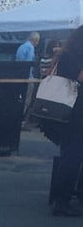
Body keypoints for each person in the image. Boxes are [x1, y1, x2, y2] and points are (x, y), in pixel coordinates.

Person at [41, 25, 83, 217]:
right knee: (72, 156)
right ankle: (62, 200)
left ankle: (62, 197)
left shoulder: (66, 55)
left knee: (70, 154)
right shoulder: (75, 57)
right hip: (76, 110)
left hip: (68, 110)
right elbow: (79, 79)